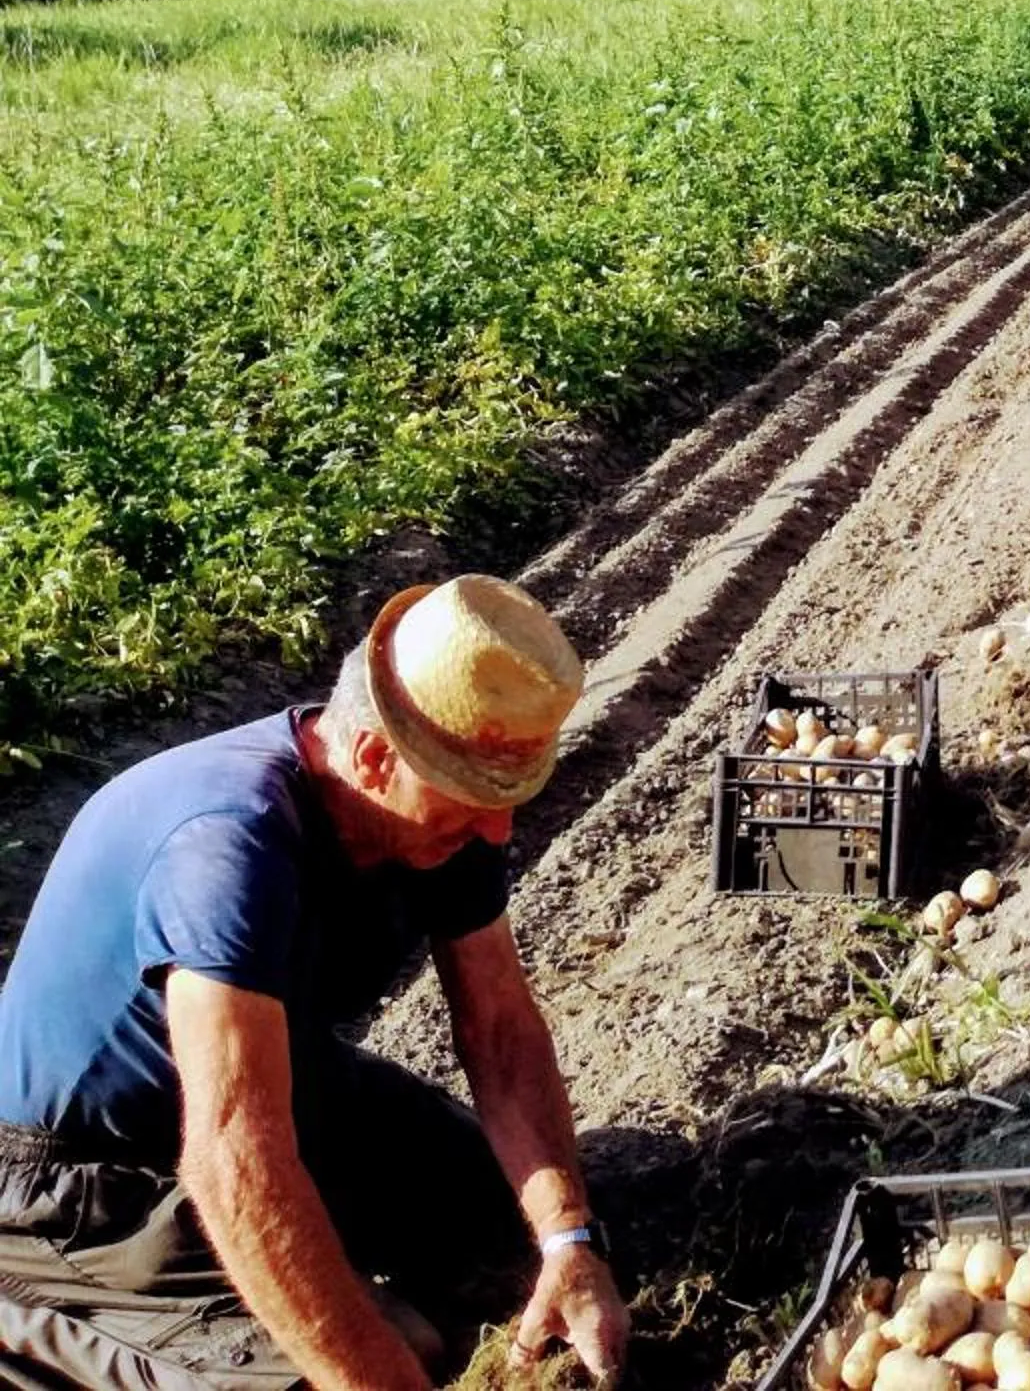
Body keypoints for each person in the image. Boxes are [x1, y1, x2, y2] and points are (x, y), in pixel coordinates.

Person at [0, 577, 628, 1391]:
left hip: (274, 1078)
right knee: (362, 1361)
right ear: (373, 759)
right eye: (477, 801)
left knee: (517, 1232)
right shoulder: (228, 848)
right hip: (71, 1176)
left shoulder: (449, 813)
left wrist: (567, 1241)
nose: (499, 829)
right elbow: (234, 1157)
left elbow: (500, 1030)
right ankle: (36, 1324)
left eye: (505, 797)